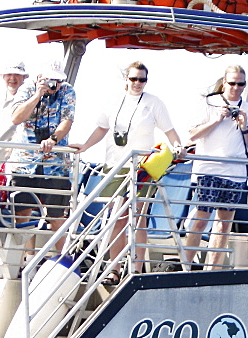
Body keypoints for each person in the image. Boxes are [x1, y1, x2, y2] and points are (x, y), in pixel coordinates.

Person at [72, 61, 183, 275]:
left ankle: (135, 269)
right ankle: (114, 269)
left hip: (141, 167)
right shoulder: (113, 101)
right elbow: (101, 129)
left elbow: (170, 131)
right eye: (134, 79)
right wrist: (85, 146)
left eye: (142, 79)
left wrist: (177, 145)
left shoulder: (153, 102)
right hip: (115, 165)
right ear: (126, 79)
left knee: (138, 218)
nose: (138, 83)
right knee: (117, 219)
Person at [181, 65, 248, 270]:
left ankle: (212, 270)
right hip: (208, 169)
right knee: (201, 219)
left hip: (235, 173)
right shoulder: (209, 102)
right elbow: (192, 135)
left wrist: (245, 127)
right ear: (224, 83)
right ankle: (186, 267)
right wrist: (217, 120)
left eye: (240, 84)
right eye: (232, 83)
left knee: (224, 224)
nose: (236, 88)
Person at [9, 60, 76, 250]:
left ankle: (65, 262)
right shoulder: (27, 90)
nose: (54, 85)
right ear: (40, 78)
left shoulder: (67, 91)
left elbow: (67, 120)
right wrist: (37, 95)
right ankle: (26, 260)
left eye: (58, 80)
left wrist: (53, 139)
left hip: (55, 166)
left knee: (56, 218)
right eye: (50, 80)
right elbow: (16, 118)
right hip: (25, 164)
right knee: (23, 215)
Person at [0, 61, 29, 165]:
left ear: (24, 77)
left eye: (17, 74)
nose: (12, 78)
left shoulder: (31, 100)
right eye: (9, 74)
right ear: (3, 76)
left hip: (17, 162)